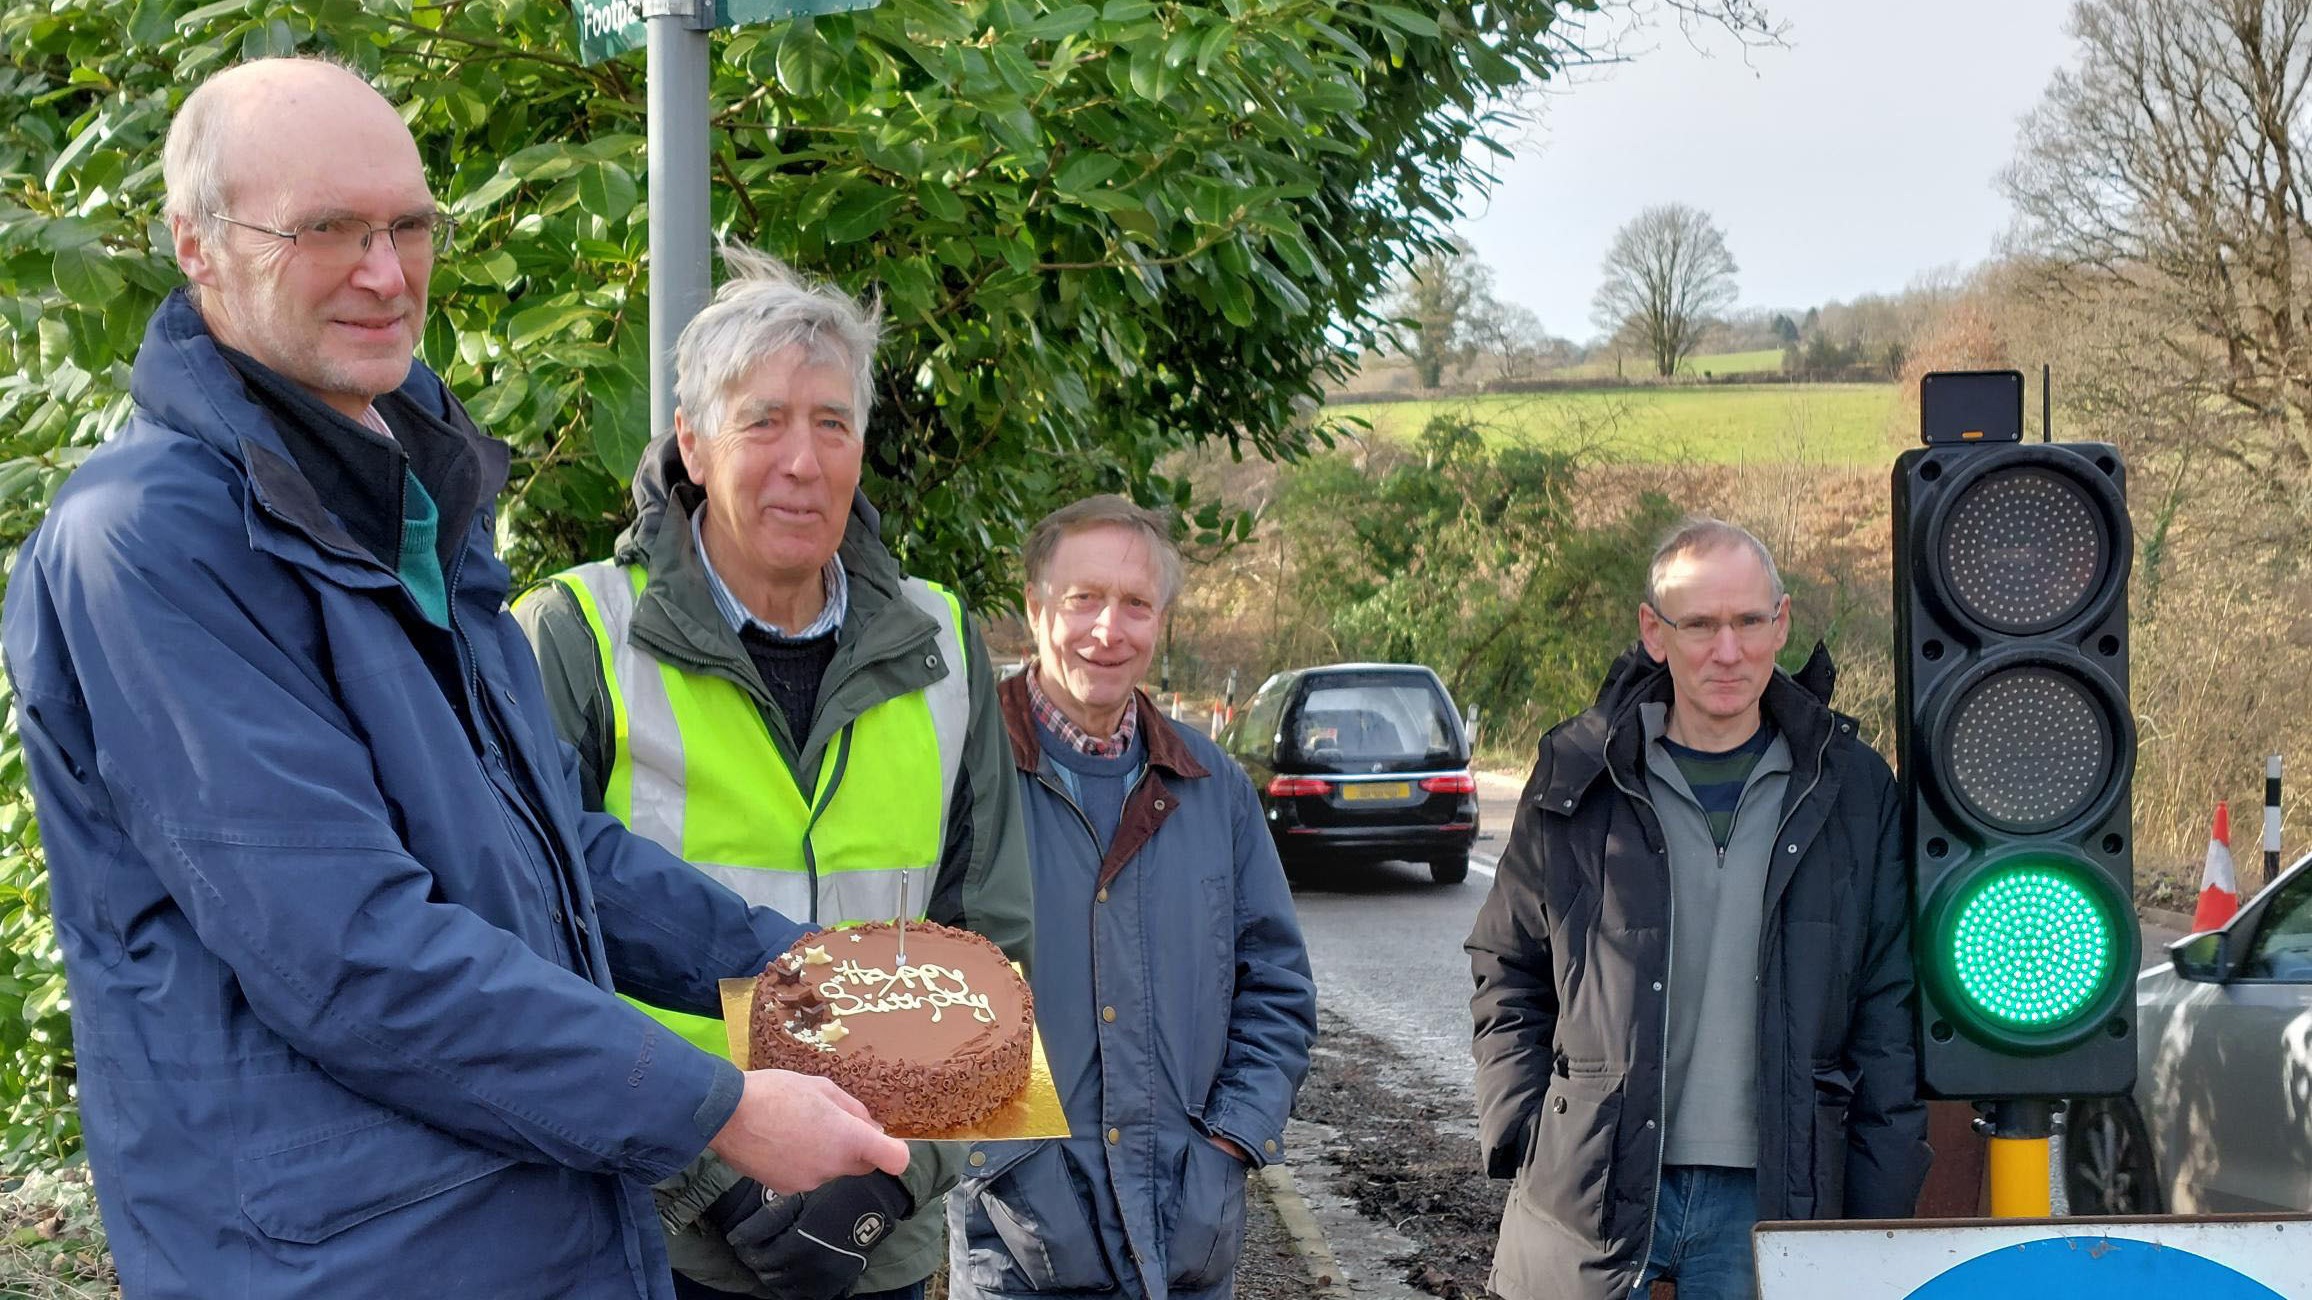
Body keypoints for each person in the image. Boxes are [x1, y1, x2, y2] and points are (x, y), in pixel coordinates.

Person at [0, 58, 905, 1300]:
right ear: (197, 245)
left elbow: (550, 852)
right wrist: (720, 1108)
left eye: (410, 226)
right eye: (328, 229)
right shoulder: (151, 540)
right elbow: (348, 952)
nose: (386, 273)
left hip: (530, 1225)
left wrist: (812, 977)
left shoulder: (405, 494)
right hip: (346, 1263)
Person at [517, 247, 1033, 1300]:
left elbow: (994, 956)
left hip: (872, 1241)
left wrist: (891, 1179)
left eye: (832, 423)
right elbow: (523, 945)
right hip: (646, 1231)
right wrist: (718, 1169)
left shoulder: (942, 642)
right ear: (693, 444)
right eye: (763, 421)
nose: (803, 459)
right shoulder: (574, 632)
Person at [1466, 518, 1929, 1300]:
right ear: (1655, 632)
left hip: (1779, 1199)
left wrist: (1878, 1201)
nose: (1728, 650)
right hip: (1590, 1187)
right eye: (1701, 625)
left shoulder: (1852, 788)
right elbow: (1507, 960)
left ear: (1781, 623)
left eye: (1748, 621)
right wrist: (1522, 1125)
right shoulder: (1579, 777)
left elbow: (1888, 1007)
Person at [946, 495, 1318, 1300]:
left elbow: (1277, 991)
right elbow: (920, 999)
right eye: (1083, 599)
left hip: (1188, 1240)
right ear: (1035, 608)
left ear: (1161, 621)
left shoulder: (1214, 788)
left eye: (1136, 604)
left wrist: (1229, 1144)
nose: (1108, 630)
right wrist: (1006, 1164)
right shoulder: (963, 776)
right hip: (1019, 1249)